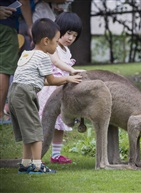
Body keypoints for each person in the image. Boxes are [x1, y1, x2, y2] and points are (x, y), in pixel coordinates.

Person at [8, 18, 82, 174]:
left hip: (15, 93)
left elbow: (39, 80)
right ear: (46, 41)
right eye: (56, 41)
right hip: (25, 94)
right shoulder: (43, 57)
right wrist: (68, 78)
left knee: (28, 131)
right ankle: (37, 165)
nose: (57, 46)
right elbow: (52, 80)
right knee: (36, 131)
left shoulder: (26, 54)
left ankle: (25, 163)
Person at [37, 12, 85, 164]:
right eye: (68, 33)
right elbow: (57, 63)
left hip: (62, 90)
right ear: (59, 30)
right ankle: (35, 155)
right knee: (45, 123)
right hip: (50, 89)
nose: (71, 38)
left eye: (75, 35)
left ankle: (56, 155)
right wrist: (72, 71)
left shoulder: (66, 49)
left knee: (59, 125)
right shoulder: (53, 46)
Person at [0, 0, 33, 125]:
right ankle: (0, 114)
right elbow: (23, 1)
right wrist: (30, 26)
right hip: (6, 24)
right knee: (4, 69)